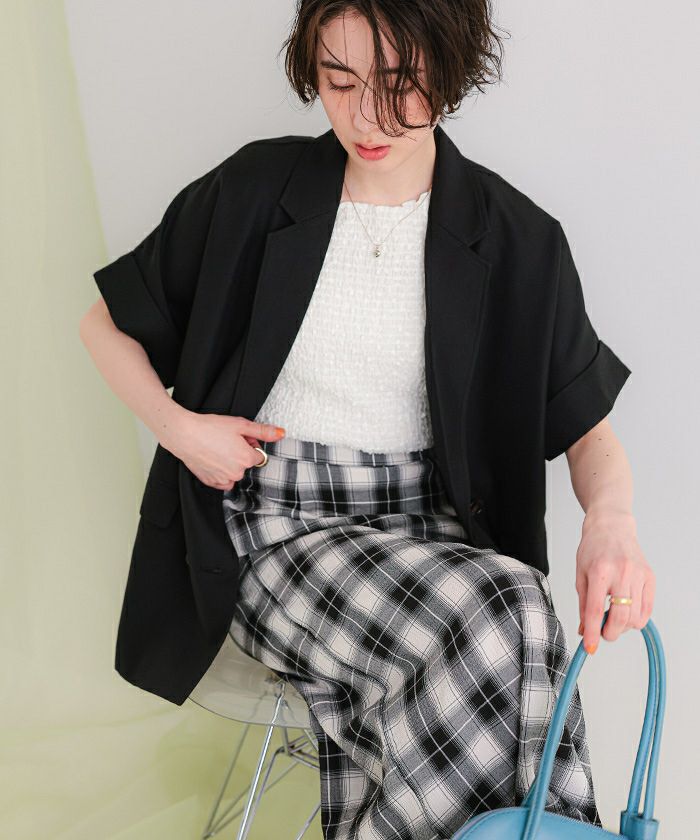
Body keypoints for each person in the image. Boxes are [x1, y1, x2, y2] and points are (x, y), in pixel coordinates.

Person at [81, 2, 656, 838]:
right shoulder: (254, 191)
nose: (366, 117)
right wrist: (180, 430)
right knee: (498, 610)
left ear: (450, 70)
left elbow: (586, 427)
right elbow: (104, 324)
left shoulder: (517, 239)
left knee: (514, 610)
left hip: (434, 537)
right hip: (274, 526)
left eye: (398, 84)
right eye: (338, 80)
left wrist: (612, 519)